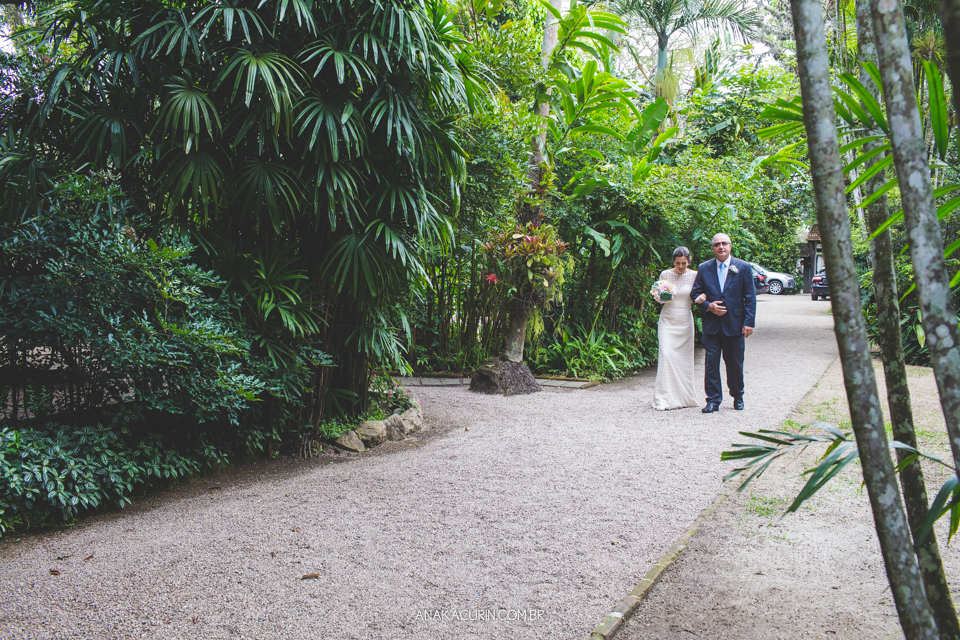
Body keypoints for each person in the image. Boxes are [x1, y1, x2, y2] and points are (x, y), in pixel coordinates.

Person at [690, 233, 756, 413]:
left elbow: (750, 297)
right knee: (711, 364)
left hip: (734, 324)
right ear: (713, 248)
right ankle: (713, 400)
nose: (721, 247)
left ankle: (738, 395)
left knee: (734, 363)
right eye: (717, 244)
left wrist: (748, 322)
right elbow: (695, 293)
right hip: (712, 325)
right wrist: (707, 305)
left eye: (724, 243)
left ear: (730, 246)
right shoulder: (704, 268)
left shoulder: (742, 267)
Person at [652, 247, 706, 410]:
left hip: (684, 320)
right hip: (668, 319)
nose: (681, 266)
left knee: (683, 359)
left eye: (684, 263)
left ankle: (683, 397)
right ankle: (664, 397)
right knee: (666, 354)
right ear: (673, 262)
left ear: (689, 261)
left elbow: (698, 293)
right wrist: (660, 296)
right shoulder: (665, 274)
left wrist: (702, 297)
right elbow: (658, 297)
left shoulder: (695, 275)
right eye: (678, 263)